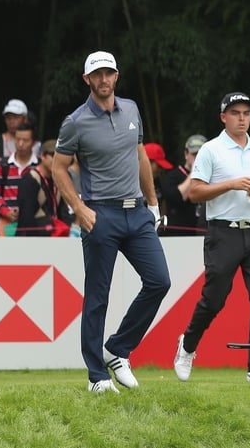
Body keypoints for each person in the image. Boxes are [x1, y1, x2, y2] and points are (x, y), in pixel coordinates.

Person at [52, 50, 171, 394]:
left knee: (159, 281)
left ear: (116, 76)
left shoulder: (132, 109)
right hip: (99, 215)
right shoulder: (75, 121)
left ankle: (117, 350)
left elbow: (140, 156)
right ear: (86, 79)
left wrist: (153, 203)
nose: (103, 80)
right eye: (97, 74)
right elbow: (59, 168)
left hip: (137, 213)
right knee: (97, 296)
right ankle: (97, 376)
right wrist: (78, 207)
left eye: (109, 73)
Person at [173, 92, 250, 384]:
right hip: (223, 232)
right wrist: (232, 184)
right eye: (235, 113)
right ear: (223, 117)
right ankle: (188, 346)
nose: (242, 118)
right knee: (214, 299)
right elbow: (194, 192)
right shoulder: (210, 150)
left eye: (246, 113)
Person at [0, 99, 39, 232]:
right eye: (8, 117)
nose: (21, 144)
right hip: (6, 219)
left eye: (15, 117)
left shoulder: (39, 163)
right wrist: (5, 210)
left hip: (35, 221)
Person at [16, 139, 69, 236]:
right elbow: (26, 217)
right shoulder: (30, 179)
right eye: (53, 156)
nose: (57, 160)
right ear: (42, 156)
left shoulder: (58, 179)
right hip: (32, 239)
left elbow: (62, 211)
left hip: (55, 234)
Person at [162, 134, 207, 235]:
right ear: (186, 154)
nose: (199, 158)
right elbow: (177, 197)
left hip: (203, 233)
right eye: (195, 154)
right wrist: (194, 171)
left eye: (202, 155)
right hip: (178, 234)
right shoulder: (173, 175)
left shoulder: (211, 176)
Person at [144, 142, 173, 217]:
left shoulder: (157, 181)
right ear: (147, 162)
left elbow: (163, 204)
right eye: (159, 166)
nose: (161, 170)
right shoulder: (131, 183)